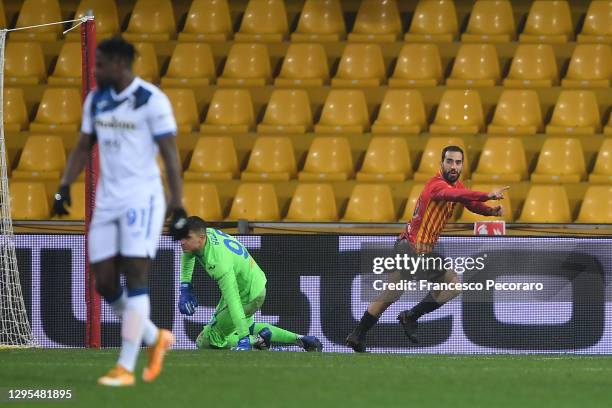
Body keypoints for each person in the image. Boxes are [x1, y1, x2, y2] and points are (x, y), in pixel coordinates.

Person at [53, 37, 189, 386]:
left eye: (100, 64)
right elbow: (84, 145)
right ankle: (154, 337)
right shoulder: (96, 100)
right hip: (108, 200)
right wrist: (64, 185)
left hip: (142, 199)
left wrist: (178, 204)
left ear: (120, 64)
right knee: (103, 282)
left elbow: (171, 155)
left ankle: (125, 367)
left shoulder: (151, 100)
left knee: (135, 275)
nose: (95, 71)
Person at [346, 145, 508, 352]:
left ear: (462, 165)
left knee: (390, 295)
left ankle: (357, 335)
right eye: (449, 161)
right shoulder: (437, 185)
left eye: (458, 162)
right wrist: (488, 195)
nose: (454, 166)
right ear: (441, 163)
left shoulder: (455, 185)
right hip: (413, 248)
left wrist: (490, 212)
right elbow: (460, 196)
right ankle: (411, 316)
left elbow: (468, 202)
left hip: (412, 248)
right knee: (453, 286)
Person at [178, 216, 322, 352]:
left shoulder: (218, 262)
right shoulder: (203, 235)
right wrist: (185, 286)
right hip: (256, 285)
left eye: (187, 238)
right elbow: (188, 255)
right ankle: (300, 339)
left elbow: (234, 301)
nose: (182, 241)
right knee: (246, 325)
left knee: (206, 340)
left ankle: (257, 342)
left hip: (247, 294)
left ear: (201, 238)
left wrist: (244, 339)